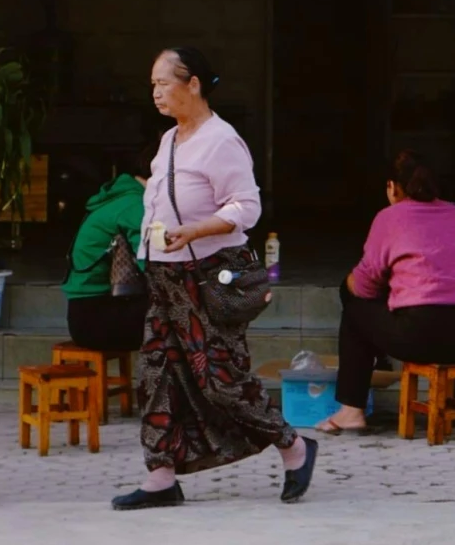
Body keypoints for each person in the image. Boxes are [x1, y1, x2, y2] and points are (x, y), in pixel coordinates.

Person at [113, 44, 317, 510]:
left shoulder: (221, 140)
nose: (156, 93)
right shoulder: (170, 140)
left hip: (204, 275)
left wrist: (195, 231)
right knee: (157, 373)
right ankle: (162, 476)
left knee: (219, 378)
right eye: (153, 85)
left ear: (194, 85)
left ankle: (294, 447)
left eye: (163, 83)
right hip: (165, 277)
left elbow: (246, 207)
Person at [322, 151, 455, 435]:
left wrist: (348, 283)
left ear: (392, 187)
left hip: (426, 331)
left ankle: (351, 410)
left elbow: (366, 284)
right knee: (446, 313)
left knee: (355, 308)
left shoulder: (390, 217)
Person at [63, 145, 153, 353]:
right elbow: (150, 262)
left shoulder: (120, 197)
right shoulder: (134, 205)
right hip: (98, 317)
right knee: (181, 317)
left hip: (85, 314)